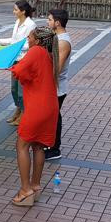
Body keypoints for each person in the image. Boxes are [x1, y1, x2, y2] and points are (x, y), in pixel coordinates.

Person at [9, 26, 60, 207]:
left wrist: (10, 65)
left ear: (37, 40)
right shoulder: (49, 54)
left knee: (22, 146)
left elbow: (19, 72)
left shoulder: (36, 51)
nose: (27, 40)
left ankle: (25, 190)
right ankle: (36, 186)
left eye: (29, 37)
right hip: (50, 107)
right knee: (38, 147)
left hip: (37, 109)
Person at [0, 0, 36, 126]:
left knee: (21, 89)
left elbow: (29, 44)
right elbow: (14, 39)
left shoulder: (30, 25)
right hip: (15, 59)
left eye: (16, 10)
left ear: (23, 11)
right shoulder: (17, 22)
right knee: (14, 88)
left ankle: (23, 113)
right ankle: (18, 109)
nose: (14, 12)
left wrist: (15, 46)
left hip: (24, 60)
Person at [44, 9, 72, 160]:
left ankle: (54, 149)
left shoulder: (63, 42)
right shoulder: (56, 37)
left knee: (54, 117)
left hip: (57, 88)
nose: (47, 22)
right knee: (52, 117)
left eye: (49, 20)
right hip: (53, 87)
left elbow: (57, 68)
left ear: (57, 23)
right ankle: (49, 145)